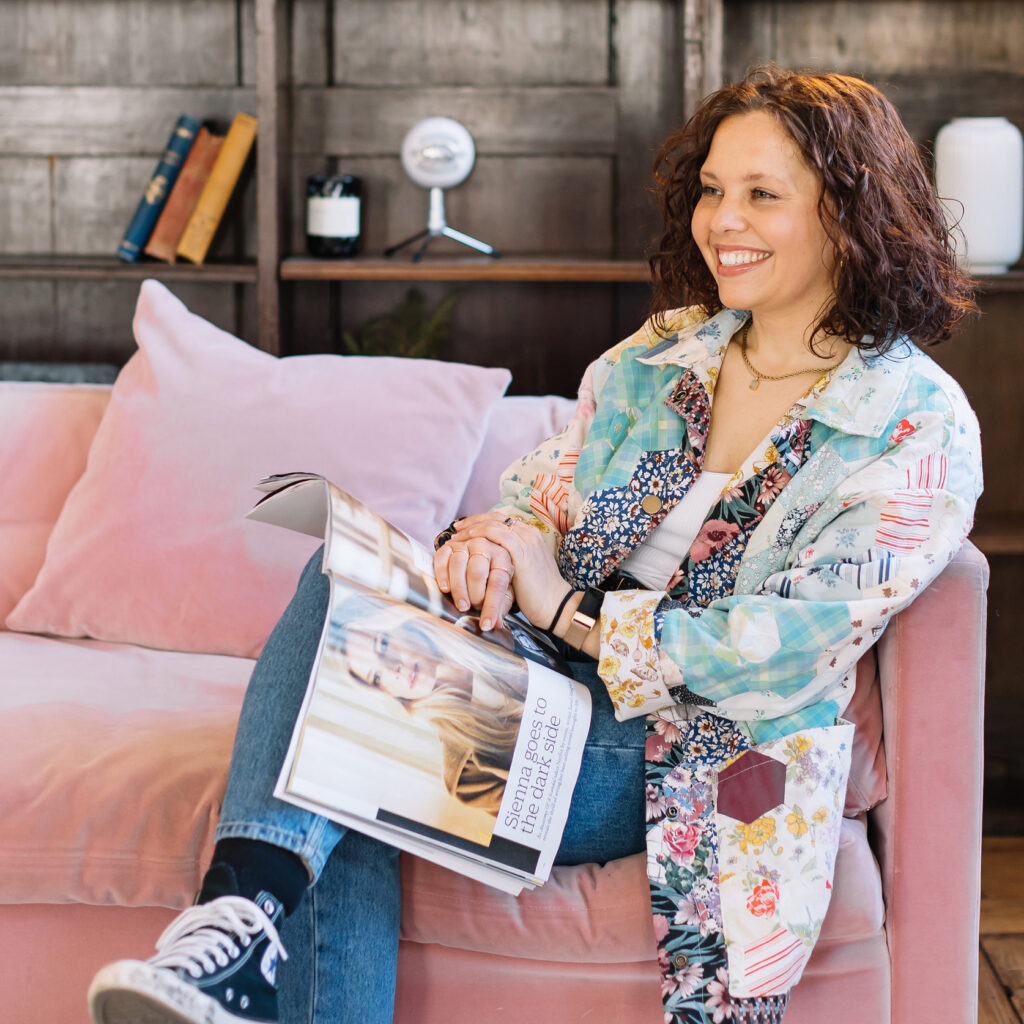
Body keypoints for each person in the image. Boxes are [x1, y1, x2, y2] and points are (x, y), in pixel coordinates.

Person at [87, 65, 982, 1024]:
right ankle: (236, 930)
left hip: (693, 747)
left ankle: (236, 933)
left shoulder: (910, 425)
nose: (725, 220)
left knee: (359, 730)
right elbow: (538, 501)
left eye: (764, 195)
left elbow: (772, 658)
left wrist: (562, 605)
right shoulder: (662, 355)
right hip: (540, 677)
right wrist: (491, 543)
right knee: (344, 580)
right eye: (714, 190)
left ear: (850, 214)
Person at [326, 599, 529, 815]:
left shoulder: (479, 619)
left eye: (383, 644)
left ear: (402, 619)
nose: (392, 669)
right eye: (376, 677)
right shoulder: (465, 774)